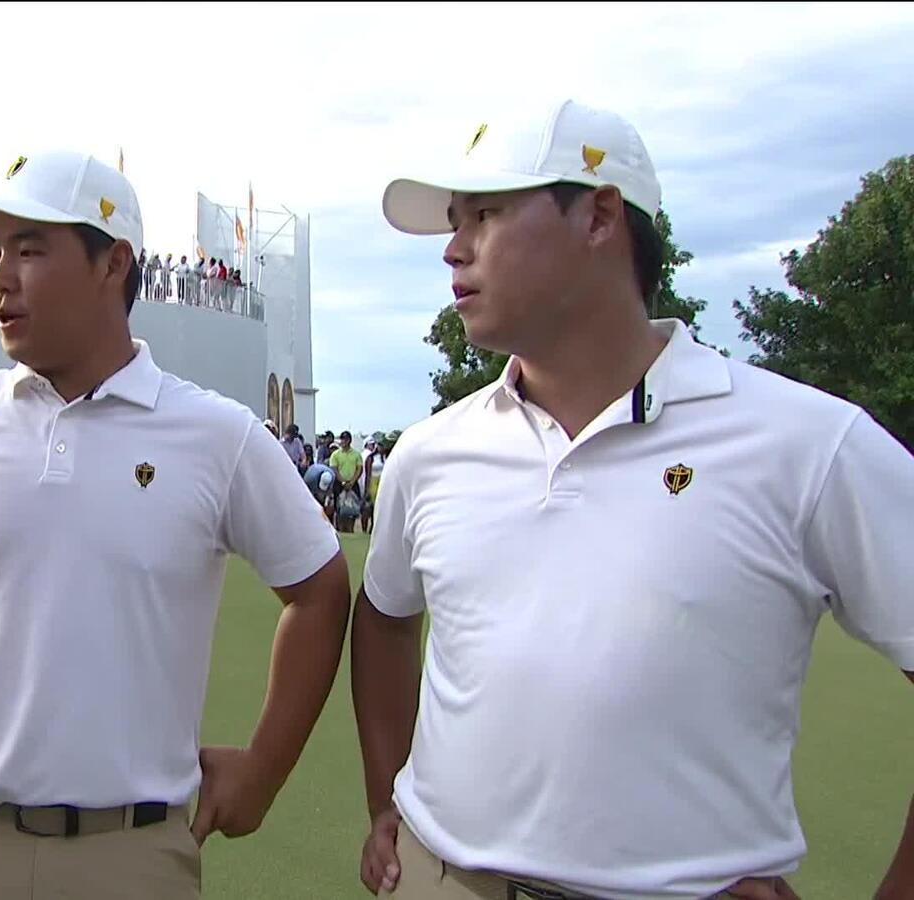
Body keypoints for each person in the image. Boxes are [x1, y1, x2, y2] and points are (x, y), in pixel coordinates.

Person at [354, 98, 914, 900]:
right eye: (454, 219)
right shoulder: (430, 452)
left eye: (486, 214)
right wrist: (387, 800)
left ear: (600, 217)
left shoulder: (808, 443)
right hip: (439, 879)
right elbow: (384, 614)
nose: (453, 248)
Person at [0, 149, 350, 900]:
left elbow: (320, 589)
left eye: (31, 250)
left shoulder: (216, 434)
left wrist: (265, 768)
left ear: (114, 265)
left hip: (130, 856)